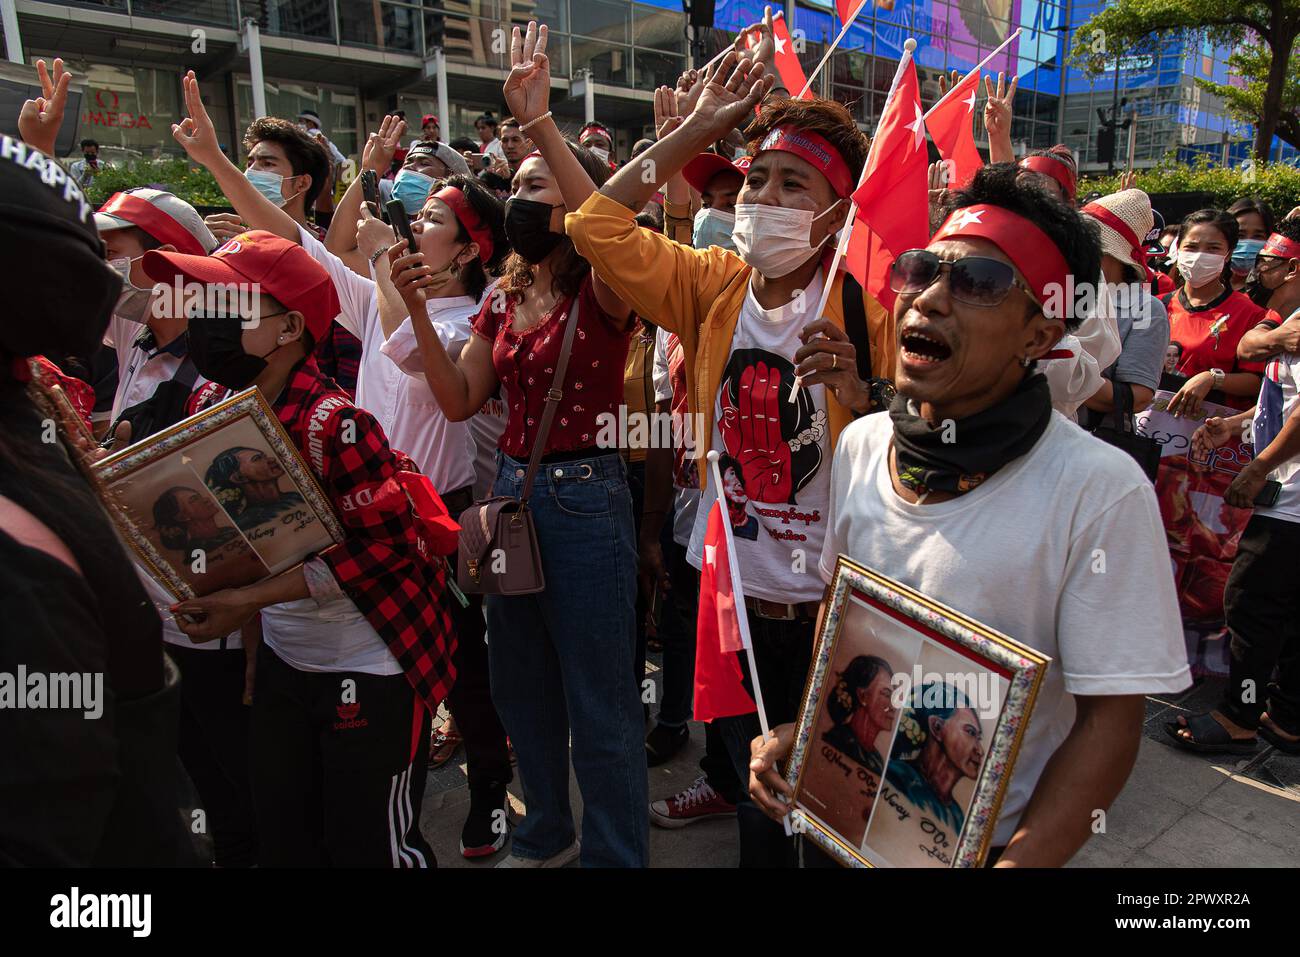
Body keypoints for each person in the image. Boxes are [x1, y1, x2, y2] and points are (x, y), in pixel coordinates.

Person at [748, 163, 1192, 867]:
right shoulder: (862, 443)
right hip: (840, 830)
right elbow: (843, 616)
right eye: (921, 270)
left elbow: (1111, 717)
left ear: (1038, 337)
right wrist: (808, 732)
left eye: (978, 283)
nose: (927, 299)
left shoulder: (1100, 491)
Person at [567, 44, 900, 867]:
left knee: (838, 805)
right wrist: (695, 133)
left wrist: (864, 394)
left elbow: (925, 442)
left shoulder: (869, 309)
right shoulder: (712, 285)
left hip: (834, 610)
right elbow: (595, 226)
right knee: (758, 803)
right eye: (758, 179)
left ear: (836, 209)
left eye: (795, 184)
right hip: (734, 602)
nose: (765, 197)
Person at [171, 85, 516, 859]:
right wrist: (215, 160)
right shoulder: (361, 306)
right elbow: (292, 239)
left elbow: (455, 399)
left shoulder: (479, 321)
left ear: (469, 251)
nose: (410, 217)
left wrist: (413, 308)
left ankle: (489, 781)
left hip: (432, 525)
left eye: (431, 217)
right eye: (412, 208)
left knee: (462, 682)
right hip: (342, 543)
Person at [387, 21, 645, 868]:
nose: (526, 192)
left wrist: (541, 124)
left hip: (588, 500)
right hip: (508, 497)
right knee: (519, 688)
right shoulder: (505, 294)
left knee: (600, 702)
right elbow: (460, 400)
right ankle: (543, 827)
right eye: (522, 182)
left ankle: (614, 853)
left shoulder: (606, 287)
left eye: (544, 183)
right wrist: (420, 307)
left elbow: (608, 219)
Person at [0, 132, 197, 866]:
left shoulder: (19, 552)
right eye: (105, 251)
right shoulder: (94, 374)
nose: (120, 271)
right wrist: (37, 151)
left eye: (130, 252)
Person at [1169, 220, 1300, 754]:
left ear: (1292, 268)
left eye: (1267, 261)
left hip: (1290, 498)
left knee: (1251, 603)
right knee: (1288, 612)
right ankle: (1287, 717)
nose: (1256, 268)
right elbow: (1279, 390)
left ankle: (1238, 717)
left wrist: (1258, 467)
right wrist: (1242, 420)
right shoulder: (1287, 322)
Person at [1079, 188, 1170, 428]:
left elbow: (1138, 397)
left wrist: (1066, 376)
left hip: (1092, 444)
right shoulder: (1062, 291)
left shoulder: (1146, 309)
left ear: (1115, 257)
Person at [1164, 209, 1269, 415]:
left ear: (1228, 253)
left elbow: (1257, 382)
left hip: (1214, 432)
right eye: (1191, 247)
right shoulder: (1156, 307)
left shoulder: (1251, 313)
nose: (1199, 256)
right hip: (1150, 429)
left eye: (1213, 248)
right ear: (1178, 248)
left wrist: (1213, 379)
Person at [822, 655, 896, 774]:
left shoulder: (876, 760)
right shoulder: (838, 741)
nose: (894, 707)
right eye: (887, 695)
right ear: (863, 696)